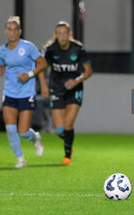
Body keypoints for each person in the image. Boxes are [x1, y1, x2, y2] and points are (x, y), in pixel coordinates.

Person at [0, 16, 47, 168]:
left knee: (22, 131)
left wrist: (29, 75)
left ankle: (35, 138)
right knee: (10, 128)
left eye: (15, 29)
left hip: (26, 92)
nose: (12, 32)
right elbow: (2, 65)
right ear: (6, 32)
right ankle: (20, 159)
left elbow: (43, 63)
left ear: (20, 31)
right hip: (9, 92)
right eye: (9, 29)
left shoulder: (28, 47)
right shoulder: (2, 50)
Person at [40, 21, 93, 166]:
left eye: (65, 33)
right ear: (55, 35)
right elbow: (40, 67)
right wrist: (43, 86)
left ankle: (67, 155)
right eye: (59, 33)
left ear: (70, 34)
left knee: (68, 124)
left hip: (74, 90)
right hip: (56, 89)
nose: (62, 36)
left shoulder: (78, 49)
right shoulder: (50, 50)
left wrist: (76, 81)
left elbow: (88, 71)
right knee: (60, 130)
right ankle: (69, 139)